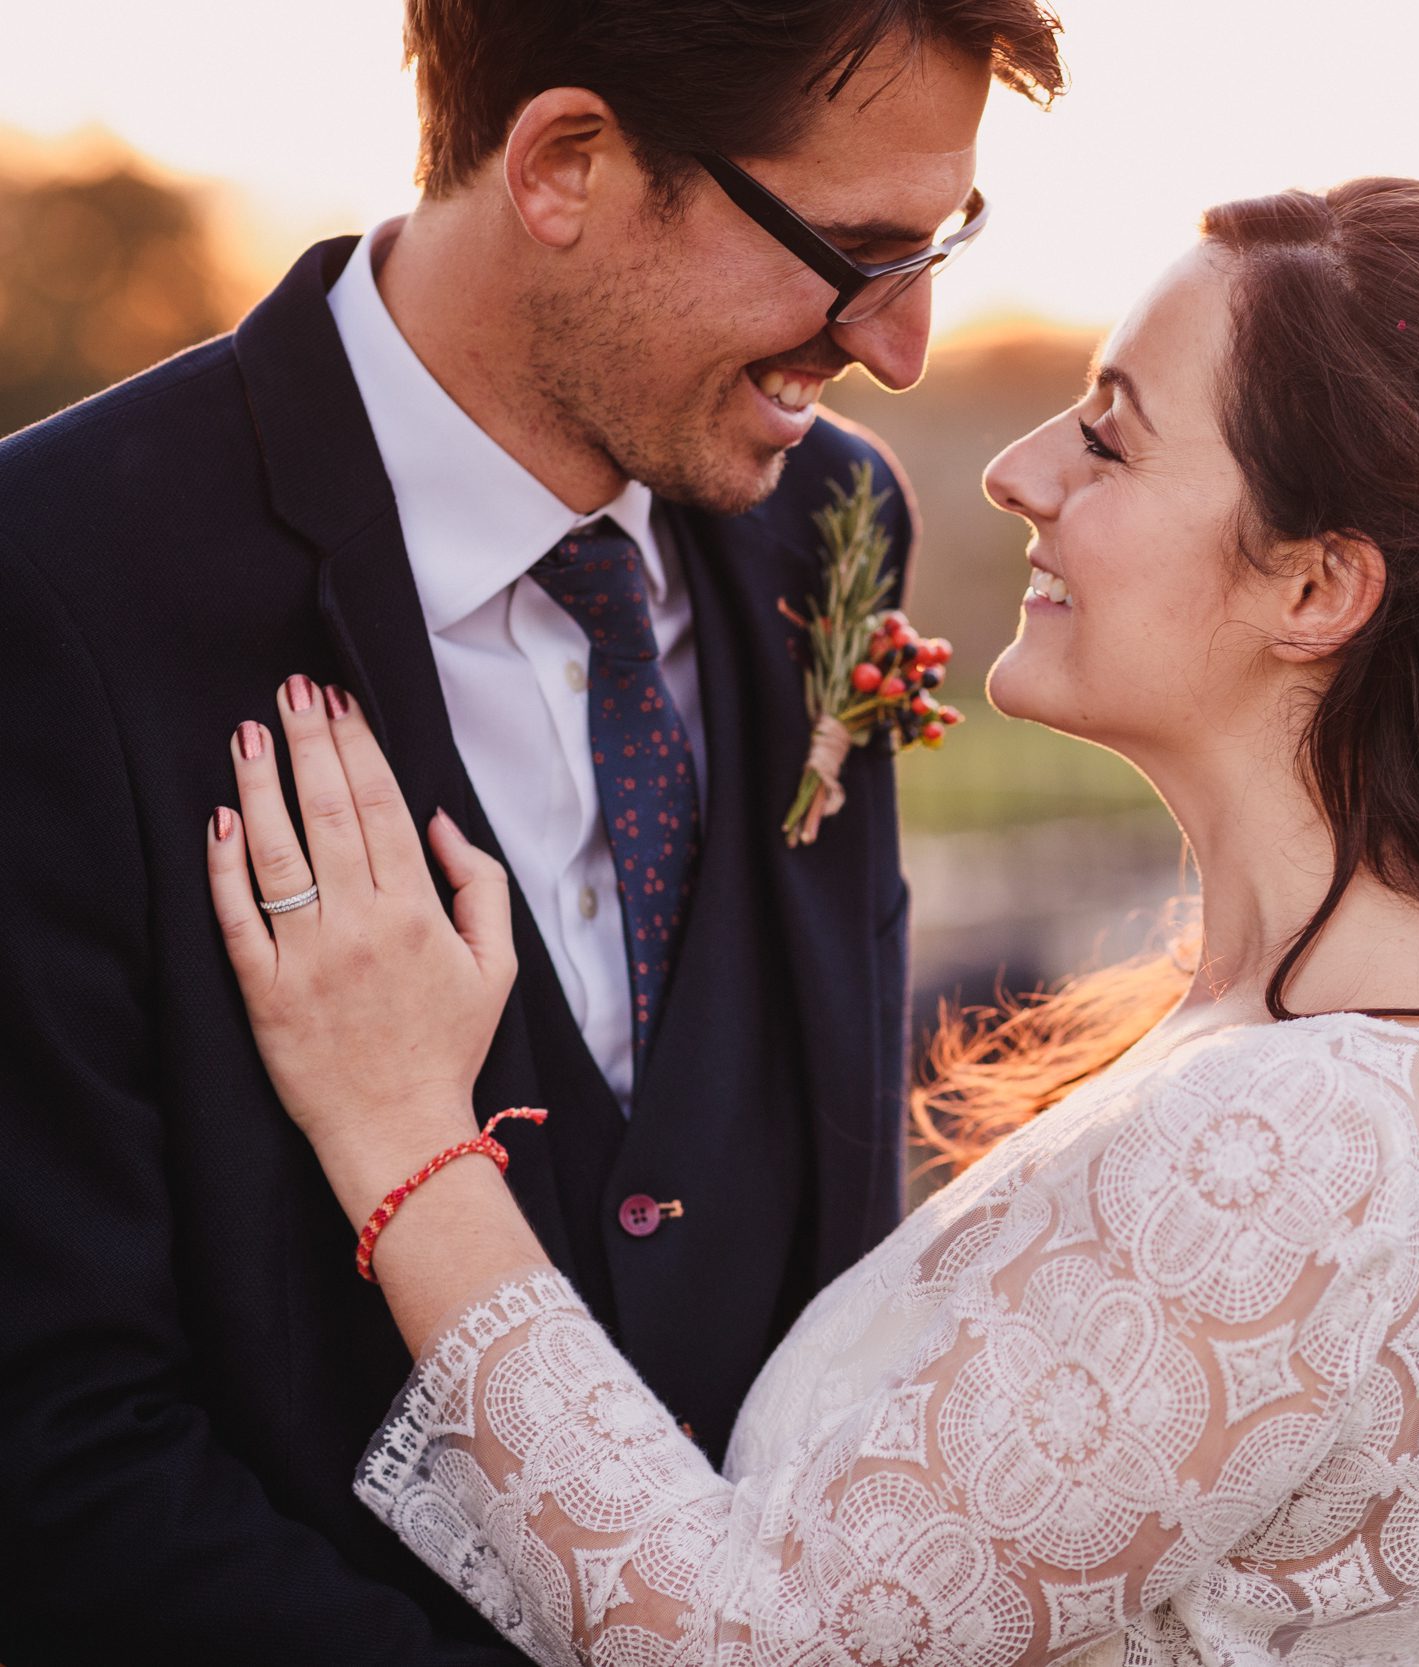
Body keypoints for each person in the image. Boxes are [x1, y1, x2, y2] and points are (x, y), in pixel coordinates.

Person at [203, 177, 1419, 1663]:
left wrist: (404, 1130)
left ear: (1316, 588)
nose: (1014, 471)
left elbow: (748, 1643)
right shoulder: (1403, 1032)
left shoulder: (1316, 1141)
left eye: (1109, 440)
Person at [0, 2, 1063, 1660]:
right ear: (567, 164)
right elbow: (51, 1449)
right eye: (852, 253)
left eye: (939, 245)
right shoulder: (56, 584)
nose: (903, 344)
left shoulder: (836, 523)